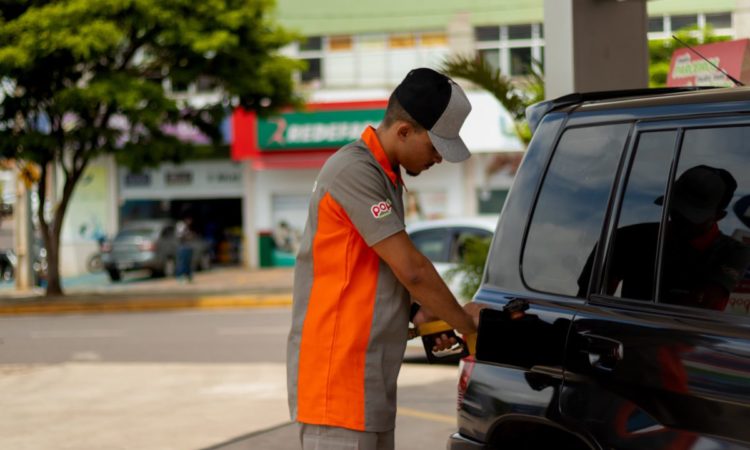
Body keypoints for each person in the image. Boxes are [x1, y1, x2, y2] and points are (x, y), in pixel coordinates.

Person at [286, 68, 482, 450]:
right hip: (338, 388)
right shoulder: (354, 170)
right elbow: (412, 269)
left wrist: (420, 313)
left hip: (367, 384)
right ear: (404, 131)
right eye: (436, 145)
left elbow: (376, 269)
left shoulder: (386, 176)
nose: (439, 158)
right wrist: (465, 323)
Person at [585, 165, 750, 310]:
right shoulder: (626, 239)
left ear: (718, 216)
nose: (680, 218)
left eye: (692, 215)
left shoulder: (733, 253)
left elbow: (700, 311)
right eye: (675, 208)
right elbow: (589, 304)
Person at [175, 216, 195, 283]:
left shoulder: (188, 227)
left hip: (188, 247)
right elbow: (180, 236)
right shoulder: (181, 226)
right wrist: (187, 236)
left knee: (188, 264)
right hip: (183, 248)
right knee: (182, 263)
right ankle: (180, 277)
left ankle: (189, 277)